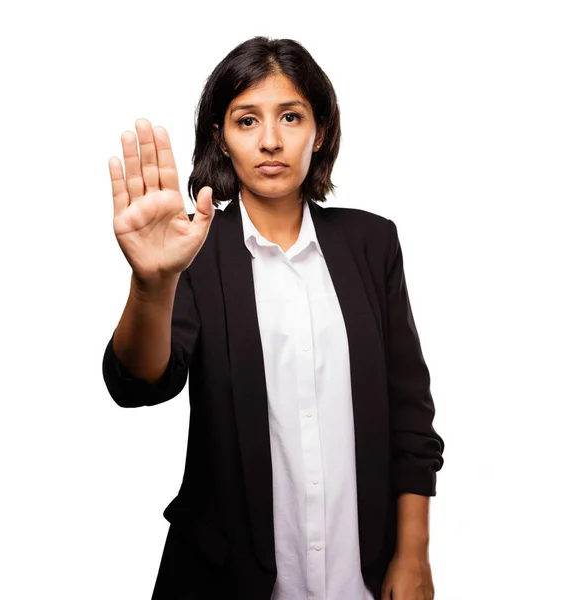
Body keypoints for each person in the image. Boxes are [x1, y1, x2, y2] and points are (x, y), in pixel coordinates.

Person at [102, 35, 445, 600]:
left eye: (290, 116)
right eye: (246, 120)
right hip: (225, 578)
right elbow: (140, 384)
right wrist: (153, 281)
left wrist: (414, 554)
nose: (270, 141)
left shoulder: (371, 243)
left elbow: (410, 413)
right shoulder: (194, 247)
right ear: (221, 136)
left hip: (358, 573)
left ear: (321, 130)